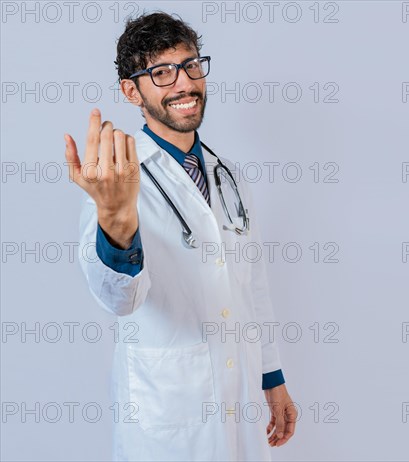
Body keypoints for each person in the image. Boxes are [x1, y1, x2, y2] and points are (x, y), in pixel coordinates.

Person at [63, 11, 296, 461]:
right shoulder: (115, 180)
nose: (184, 84)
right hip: (167, 413)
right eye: (162, 72)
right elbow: (120, 300)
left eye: (191, 65)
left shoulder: (229, 176)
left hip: (242, 396)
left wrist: (273, 377)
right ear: (132, 91)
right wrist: (116, 221)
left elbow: (253, 287)